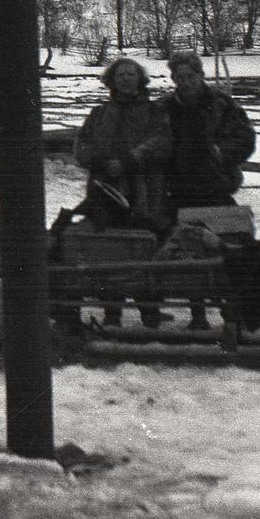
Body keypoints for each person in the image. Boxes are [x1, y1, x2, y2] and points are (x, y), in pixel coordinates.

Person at [71, 56, 174, 327]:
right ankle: (111, 312)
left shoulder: (154, 112)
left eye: (131, 74)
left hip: (144, 193)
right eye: (120, 75)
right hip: (105, 192)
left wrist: (129, 160)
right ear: (112, 80)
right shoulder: (99, 114)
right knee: (109, 250)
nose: (126, 79)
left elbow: (162, 142)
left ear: (140, 78)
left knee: (144, 247)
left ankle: (150, 313)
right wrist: (100, 162)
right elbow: (81, 145)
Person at [162, 50, 257, 330]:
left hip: (215, 186)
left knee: (229, 246)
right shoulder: (165, 108)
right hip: (179, 188)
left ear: (200, 75)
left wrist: (220, 151)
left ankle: (233, 313)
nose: (185, 81)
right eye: (179, 77)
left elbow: (245, 139)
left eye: (190, 75)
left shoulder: (222, 105)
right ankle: (198, 313)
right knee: (188, 251)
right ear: (173, 79)